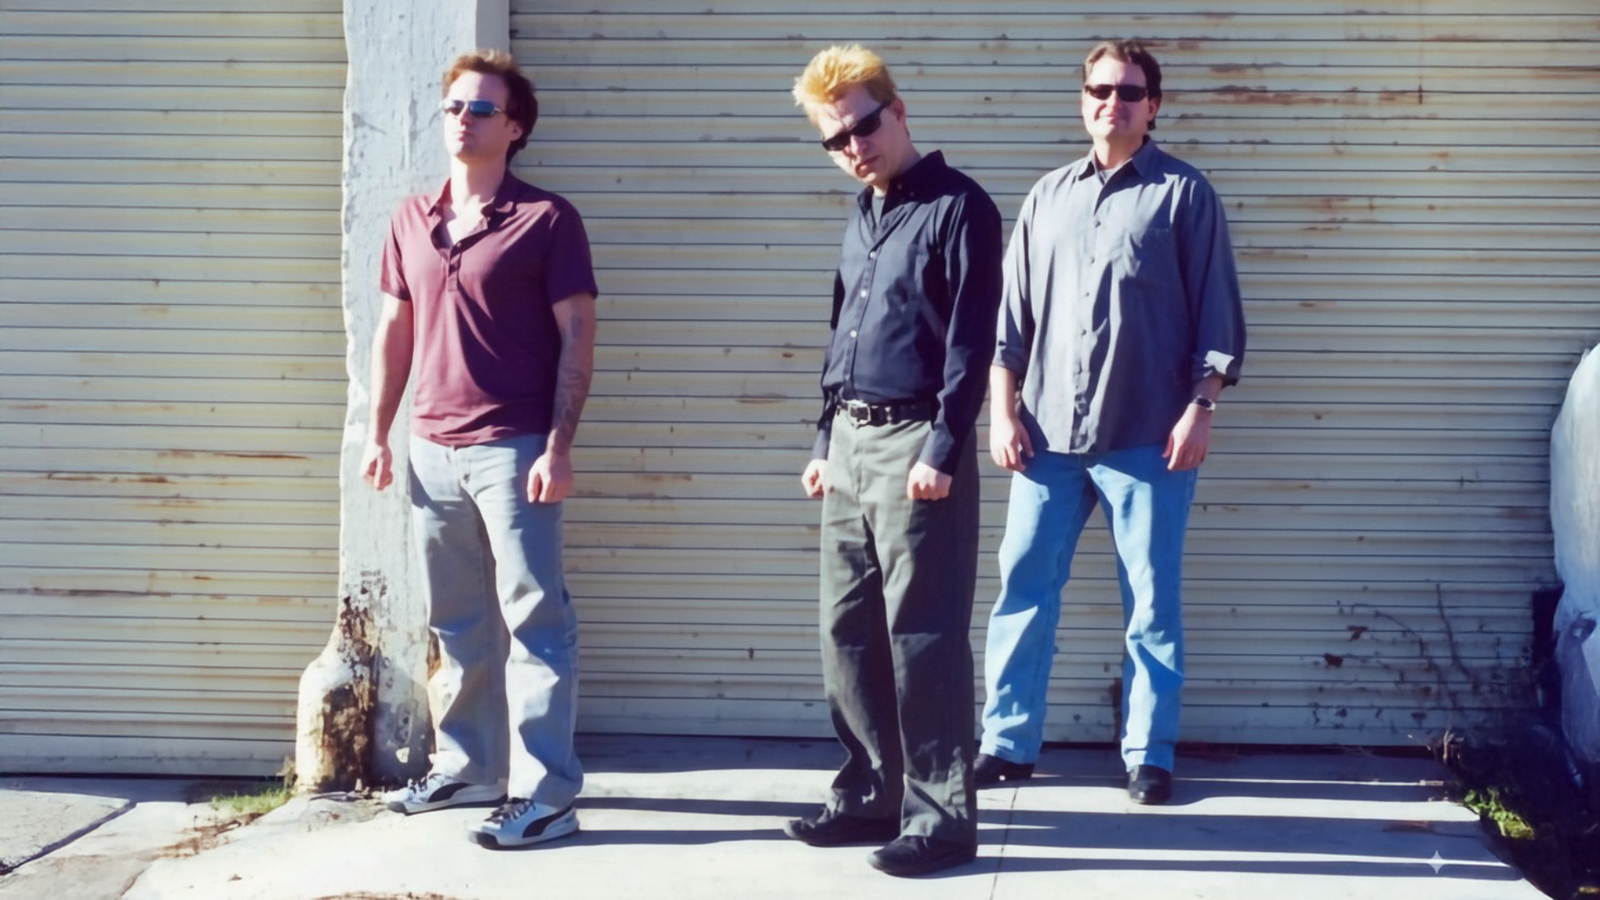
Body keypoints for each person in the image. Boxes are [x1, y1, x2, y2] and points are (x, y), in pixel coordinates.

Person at [975, 40, 1246, 806]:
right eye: (1100, 90)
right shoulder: (1047, 197)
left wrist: (1201, 408)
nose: (1112, 103)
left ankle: (1149, 755)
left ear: (1152, 105)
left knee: (1151, 603)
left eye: (1129, 92)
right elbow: (1010, 322)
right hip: (1046, 440)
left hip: (1149, 437)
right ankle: (1006, 744)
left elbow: (1219, 316)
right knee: (1023, 589)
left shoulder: (1185, 196)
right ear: (1083, 100)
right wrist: (1002, 413)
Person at [362, 49, 597, 848]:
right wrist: (378, 432)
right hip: (430, 447)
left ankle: (548, 796)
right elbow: (394, 331)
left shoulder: (548, 220)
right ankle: (469, 768)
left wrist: (559, 447)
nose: (464, 120)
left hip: (514, 448)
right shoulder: (411, 219)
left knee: (536, 621)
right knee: (457, 621)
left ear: (515, 128)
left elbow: (578, 337)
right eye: (455, 107)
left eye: (482, 109)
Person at [784, 44, 1003, 877]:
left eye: (864, 127)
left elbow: (971, 344)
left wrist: (943, 448)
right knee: (846, 630)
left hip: (917, 445)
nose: (854, 148)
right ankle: (869, 794)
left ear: (898, 111)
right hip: (849, 442)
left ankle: (941, 820)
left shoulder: (960, 209)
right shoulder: (863, 216)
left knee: (923, 635)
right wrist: (822, 440)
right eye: (835, 140)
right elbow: (841, 334)